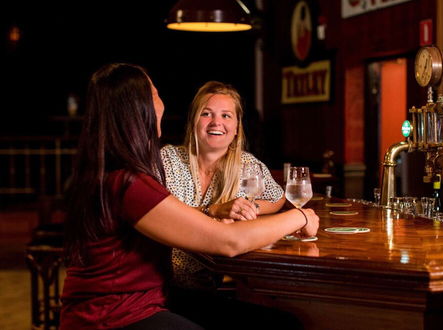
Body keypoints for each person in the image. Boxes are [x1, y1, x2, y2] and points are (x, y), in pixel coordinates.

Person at [60, 63, 319, 330]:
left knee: (280, 322)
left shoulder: (113, 173)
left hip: (147, 302)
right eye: (155, 93)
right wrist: (301, 215)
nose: (162, 102)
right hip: (114, 317)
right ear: (140, 109)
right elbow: (229, 242)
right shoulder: (130, 183)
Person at [160, 81, 285, 291]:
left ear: (236, 128)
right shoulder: (167, 159)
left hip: (210, 284)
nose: (216, 122)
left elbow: (277, 198)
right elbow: (159, 216)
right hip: (161, 283)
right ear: (193, 122)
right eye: (206, 114)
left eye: (226, 115)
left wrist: (248, 207)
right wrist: (213, 210)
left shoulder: (247, 163)